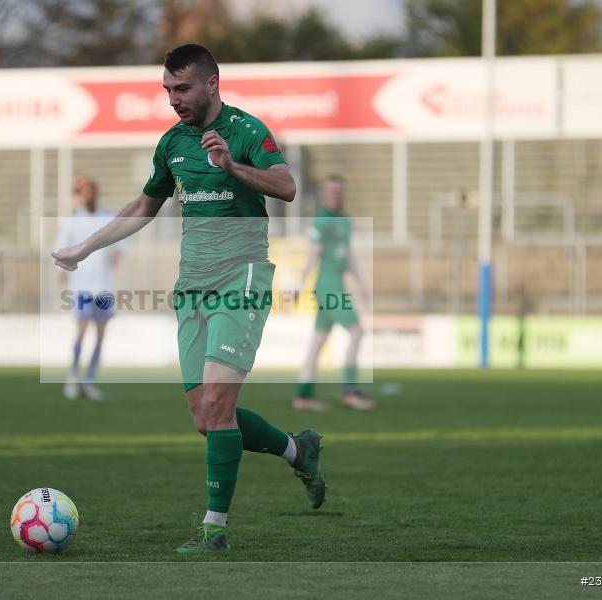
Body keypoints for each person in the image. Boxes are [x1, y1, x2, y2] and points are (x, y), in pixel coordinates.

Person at [52, 44, 327, 555]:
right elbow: (144, 205)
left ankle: (214, 529)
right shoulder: (172, 144)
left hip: (242, 279)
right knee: (206, 416)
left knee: (220, 403)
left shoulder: (247, 131)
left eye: (182, 89)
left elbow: (286, 187)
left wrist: (233, 167)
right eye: (167, 90)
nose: (173, 99)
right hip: (192, 287)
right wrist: (84, 248)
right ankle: (298, 450)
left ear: (212, 84)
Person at [293, 175, 375, 411]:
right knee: (357, 331)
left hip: (336, 283)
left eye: (338, 191)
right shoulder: (323, 220)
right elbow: (313, 255)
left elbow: (347, 256)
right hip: (328, 286)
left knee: (318, 341)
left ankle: (303, 395)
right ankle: (350, 392)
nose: (335, 195)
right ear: (324, 194)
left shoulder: (346, 221)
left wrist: (361, 282)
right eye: (331, 192)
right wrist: (300, 286)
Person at [55, 175, 123, 401]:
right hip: (82, 286)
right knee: (81, 332)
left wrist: (116, 254)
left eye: (91, 192)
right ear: (79, 196)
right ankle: (73, 376)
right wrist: (61, 273)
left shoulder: (107, 217)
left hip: (103, 287)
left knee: (101, 336)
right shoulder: (72, 220)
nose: (88, 197)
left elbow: (119, 244)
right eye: (83, 192)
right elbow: (61, 248)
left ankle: (90, 381)